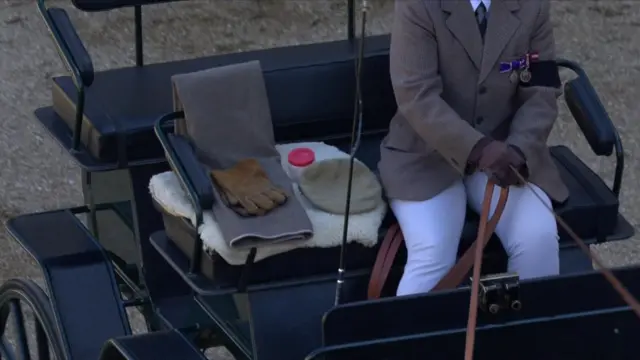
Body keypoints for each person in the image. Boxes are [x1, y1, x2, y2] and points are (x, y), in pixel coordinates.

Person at [378, 0, 569, 296]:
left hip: (506, 154)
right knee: (433, 251)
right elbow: (416, 96)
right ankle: (406, 342)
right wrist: (477, 147)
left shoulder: (533, 5)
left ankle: (533, 339)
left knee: (538, 237)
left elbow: (542, 92)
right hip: (426, 156)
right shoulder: (418, 5)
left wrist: (519, 148)